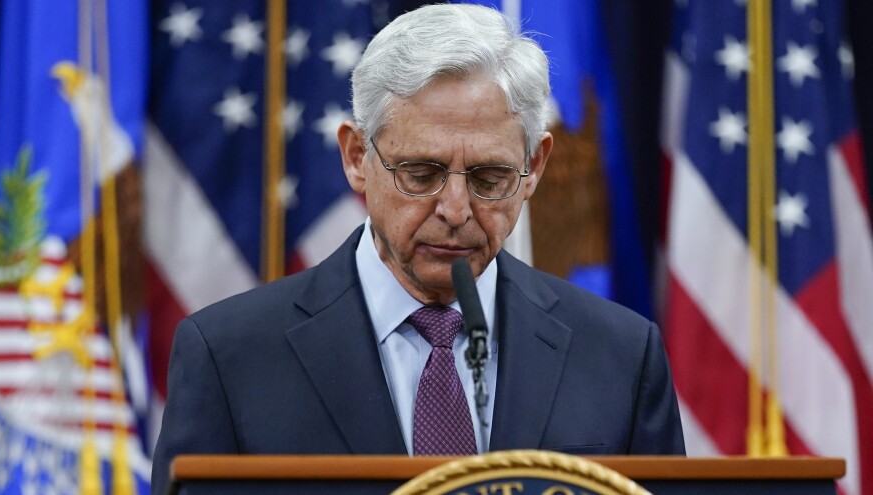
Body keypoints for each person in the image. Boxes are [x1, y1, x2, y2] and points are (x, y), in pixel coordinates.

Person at [151, 4, 684, 494]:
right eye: (421, 173)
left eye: (490, 176)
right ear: (358, 156)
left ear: (535, 168)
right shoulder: (230, 357)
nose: (455, 209)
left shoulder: (620, 356)